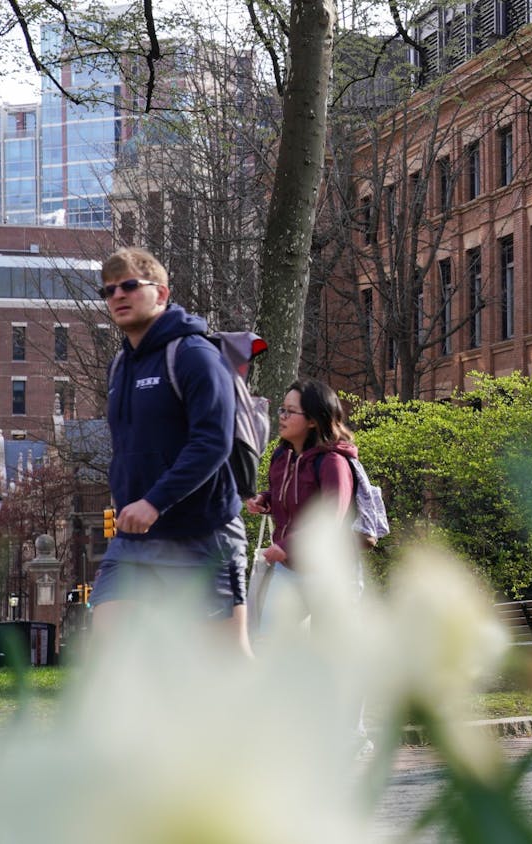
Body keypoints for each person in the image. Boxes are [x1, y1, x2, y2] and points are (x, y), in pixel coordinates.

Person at [91, 247, 252, 656]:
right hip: (135, 538)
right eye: (108, 291)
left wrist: (155, 501)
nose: (117, 296)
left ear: (161, 294)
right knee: (109, 643)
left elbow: (213, 441)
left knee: (227, 659)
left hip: (201, 532)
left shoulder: (195, 355)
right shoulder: (120, 366)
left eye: (129, 285)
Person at [244, 378, 359, 621]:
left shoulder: (332, 463)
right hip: (288, 570)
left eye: (290, 411)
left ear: (313, 421)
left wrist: (285, 546)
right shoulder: (282, 456)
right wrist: (265, 499)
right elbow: (288, 497)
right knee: (271, 646)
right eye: (281, 409)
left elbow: (330, 519)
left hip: (328, 573)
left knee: (325, 655)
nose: (282, 417)